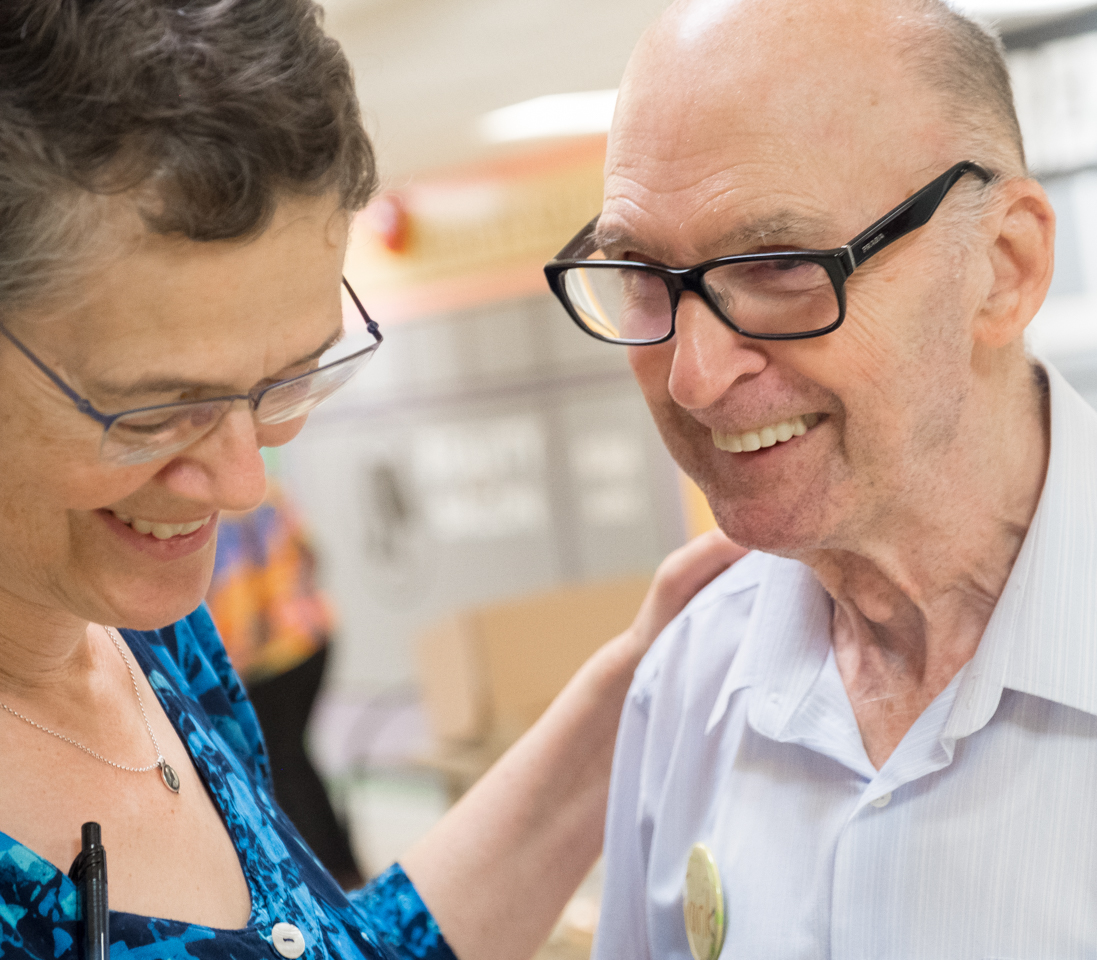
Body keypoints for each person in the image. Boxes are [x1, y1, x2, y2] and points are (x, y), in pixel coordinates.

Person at [541, 0, 1097, 957]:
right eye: (639, 272)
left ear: (1005, 266)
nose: (694, 375)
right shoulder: (687, 683)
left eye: (778, 267)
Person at [0, 3, 746, 960]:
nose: (241, 484)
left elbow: (335, 945)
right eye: (153, 411)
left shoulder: (146, 629)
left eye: (285, 380)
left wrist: (638, 689)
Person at [207, 486, 363, 889]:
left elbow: (233, 604)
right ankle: (342, 867)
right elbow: (313, 556)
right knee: (295, 756)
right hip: (312, 634)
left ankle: (329, 877)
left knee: (284, 763)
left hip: (271, 656)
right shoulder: (268, 494)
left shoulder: (210, 515)